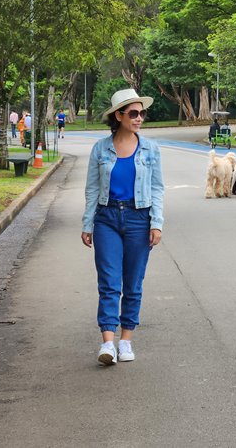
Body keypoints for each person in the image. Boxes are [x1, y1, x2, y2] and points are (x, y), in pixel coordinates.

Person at [81, 88, 165, 366]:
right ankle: (107, 343)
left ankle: (126, 340)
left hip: (139, 219)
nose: (140, 118)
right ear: (118, 116)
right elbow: (92, 189)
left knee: (132, 284)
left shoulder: (151, 149)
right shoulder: (100, 149)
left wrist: (157, 224)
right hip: (107, 218)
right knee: (108, 283)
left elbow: (157, 190)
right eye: (133, 113)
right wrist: (87, 223)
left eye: (142, 113)